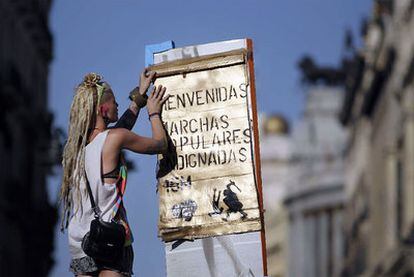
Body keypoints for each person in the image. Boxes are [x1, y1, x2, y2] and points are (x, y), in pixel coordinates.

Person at [59, 70, 169, 277]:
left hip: (80, 243)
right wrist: (153, 113)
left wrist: (140, 95)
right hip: (111, 237)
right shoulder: (114, 138)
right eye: (115, 102)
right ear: (103, 109)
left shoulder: (76, 151)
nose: (118, 105)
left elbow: (118, 130)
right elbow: (161, 144)